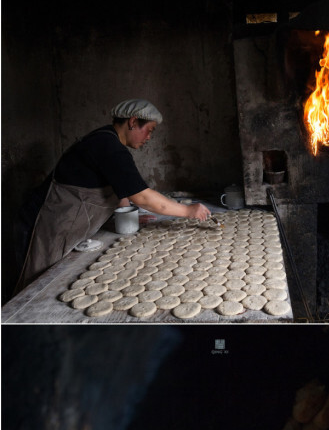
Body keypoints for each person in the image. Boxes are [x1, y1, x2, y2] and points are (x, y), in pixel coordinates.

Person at [16, 99, 211, 290]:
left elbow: (120, 188)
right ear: (133, 122)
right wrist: (188, 210)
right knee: (37, 286)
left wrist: (127, 216)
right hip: (46, 224)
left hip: (65, 226)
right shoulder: (108, 146)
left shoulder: (107, 140)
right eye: (149, 130)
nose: (149, 137)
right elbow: (142, 197)